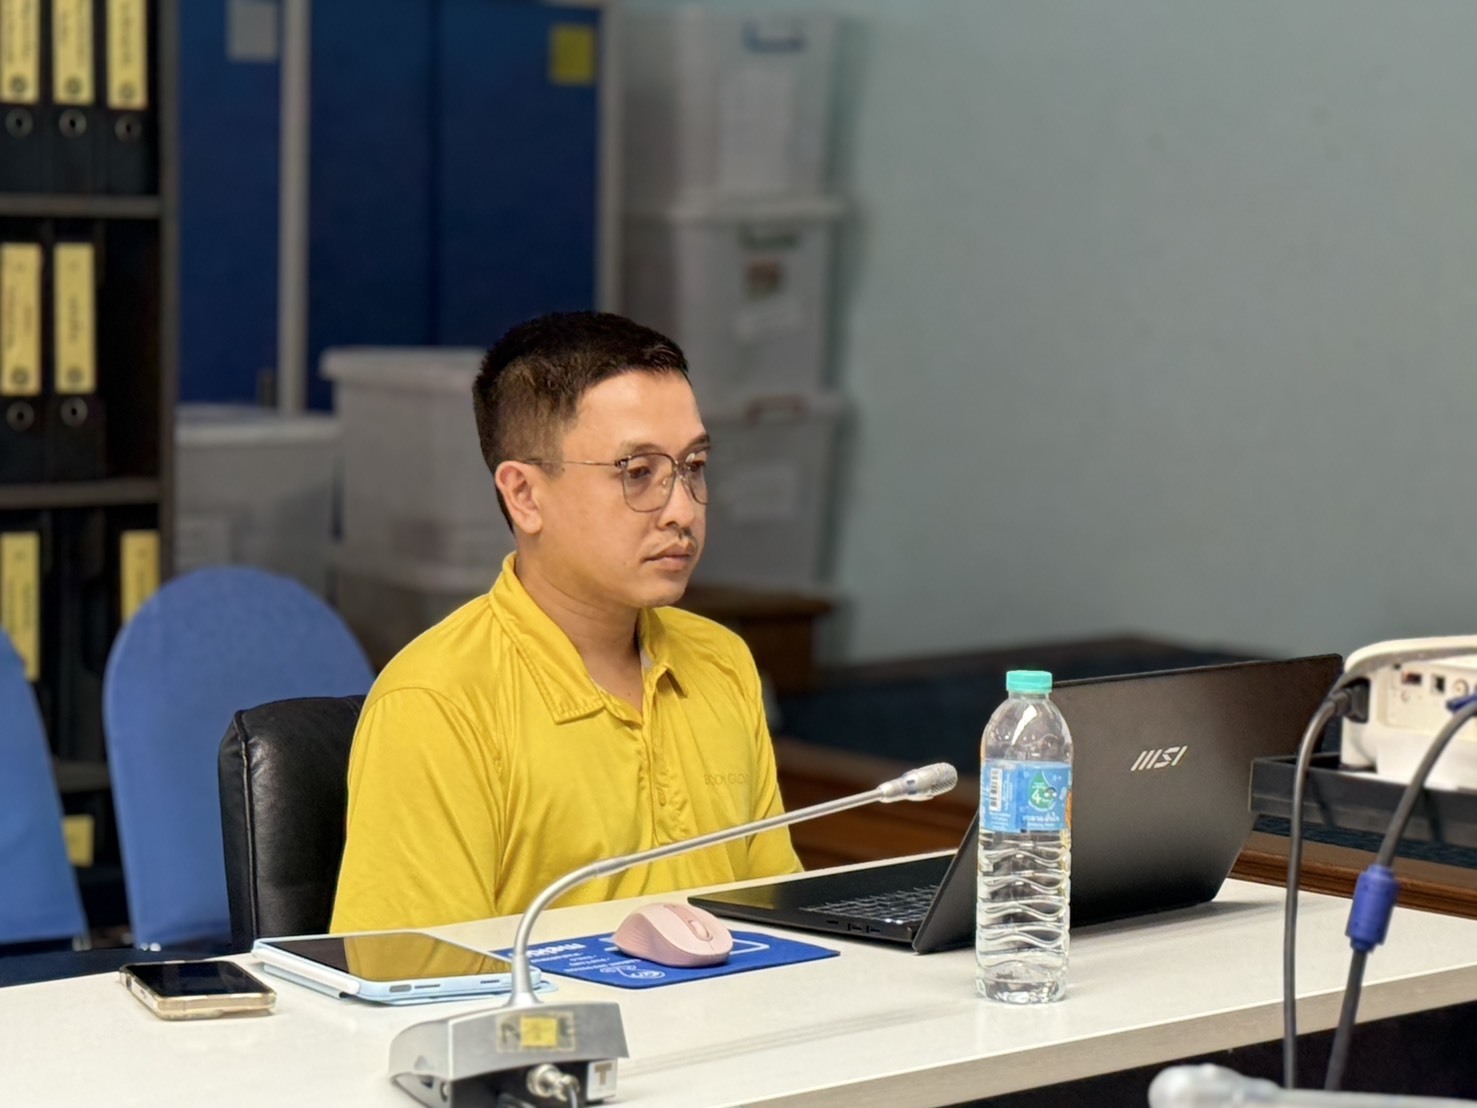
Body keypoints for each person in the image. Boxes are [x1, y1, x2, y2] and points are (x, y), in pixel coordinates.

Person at [330, 312, 803, 932]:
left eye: (693, 466)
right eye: (638, 474)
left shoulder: (722, 662)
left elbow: (779, 921)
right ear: (525, 496)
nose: (682, 511)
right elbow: (417, 975)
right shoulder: (438, 702)